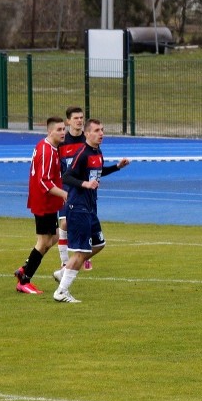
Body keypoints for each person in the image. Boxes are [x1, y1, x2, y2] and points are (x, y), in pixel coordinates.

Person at [52, 119, 130, 303]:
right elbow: (67, 176)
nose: (101, 133)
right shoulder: (82, 153)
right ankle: (61, 291)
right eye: (96, 130)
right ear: (87, 134)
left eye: (102, 130)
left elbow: (98, 171)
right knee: (80, 252)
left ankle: (63, 272)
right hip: (78, 208)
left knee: (99, 243)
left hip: (90, 208)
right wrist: (84, 184)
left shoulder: (98, 152)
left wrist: (117, 167)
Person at [13, 117, 69, 295]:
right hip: (43, 202)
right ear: (50, 131)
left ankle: (24, 269)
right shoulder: (47, 151)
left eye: (63, 129)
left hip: (49, 202)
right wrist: (64, 194)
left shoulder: (50, 148)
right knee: (44, 242)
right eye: (59, 129)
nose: (63, 132)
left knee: (52, 238)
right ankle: (25, 280)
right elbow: (44, 182)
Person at [56, 106, 92, 271]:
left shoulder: (88, 139)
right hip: (65, 187)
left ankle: (83, 256)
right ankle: (64, 261)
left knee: (85, 222)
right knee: (64, 224)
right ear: (68, 121)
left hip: (84, 189)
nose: (79, 121)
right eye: (76, 118)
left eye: (81, 118)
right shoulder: (62, 142)